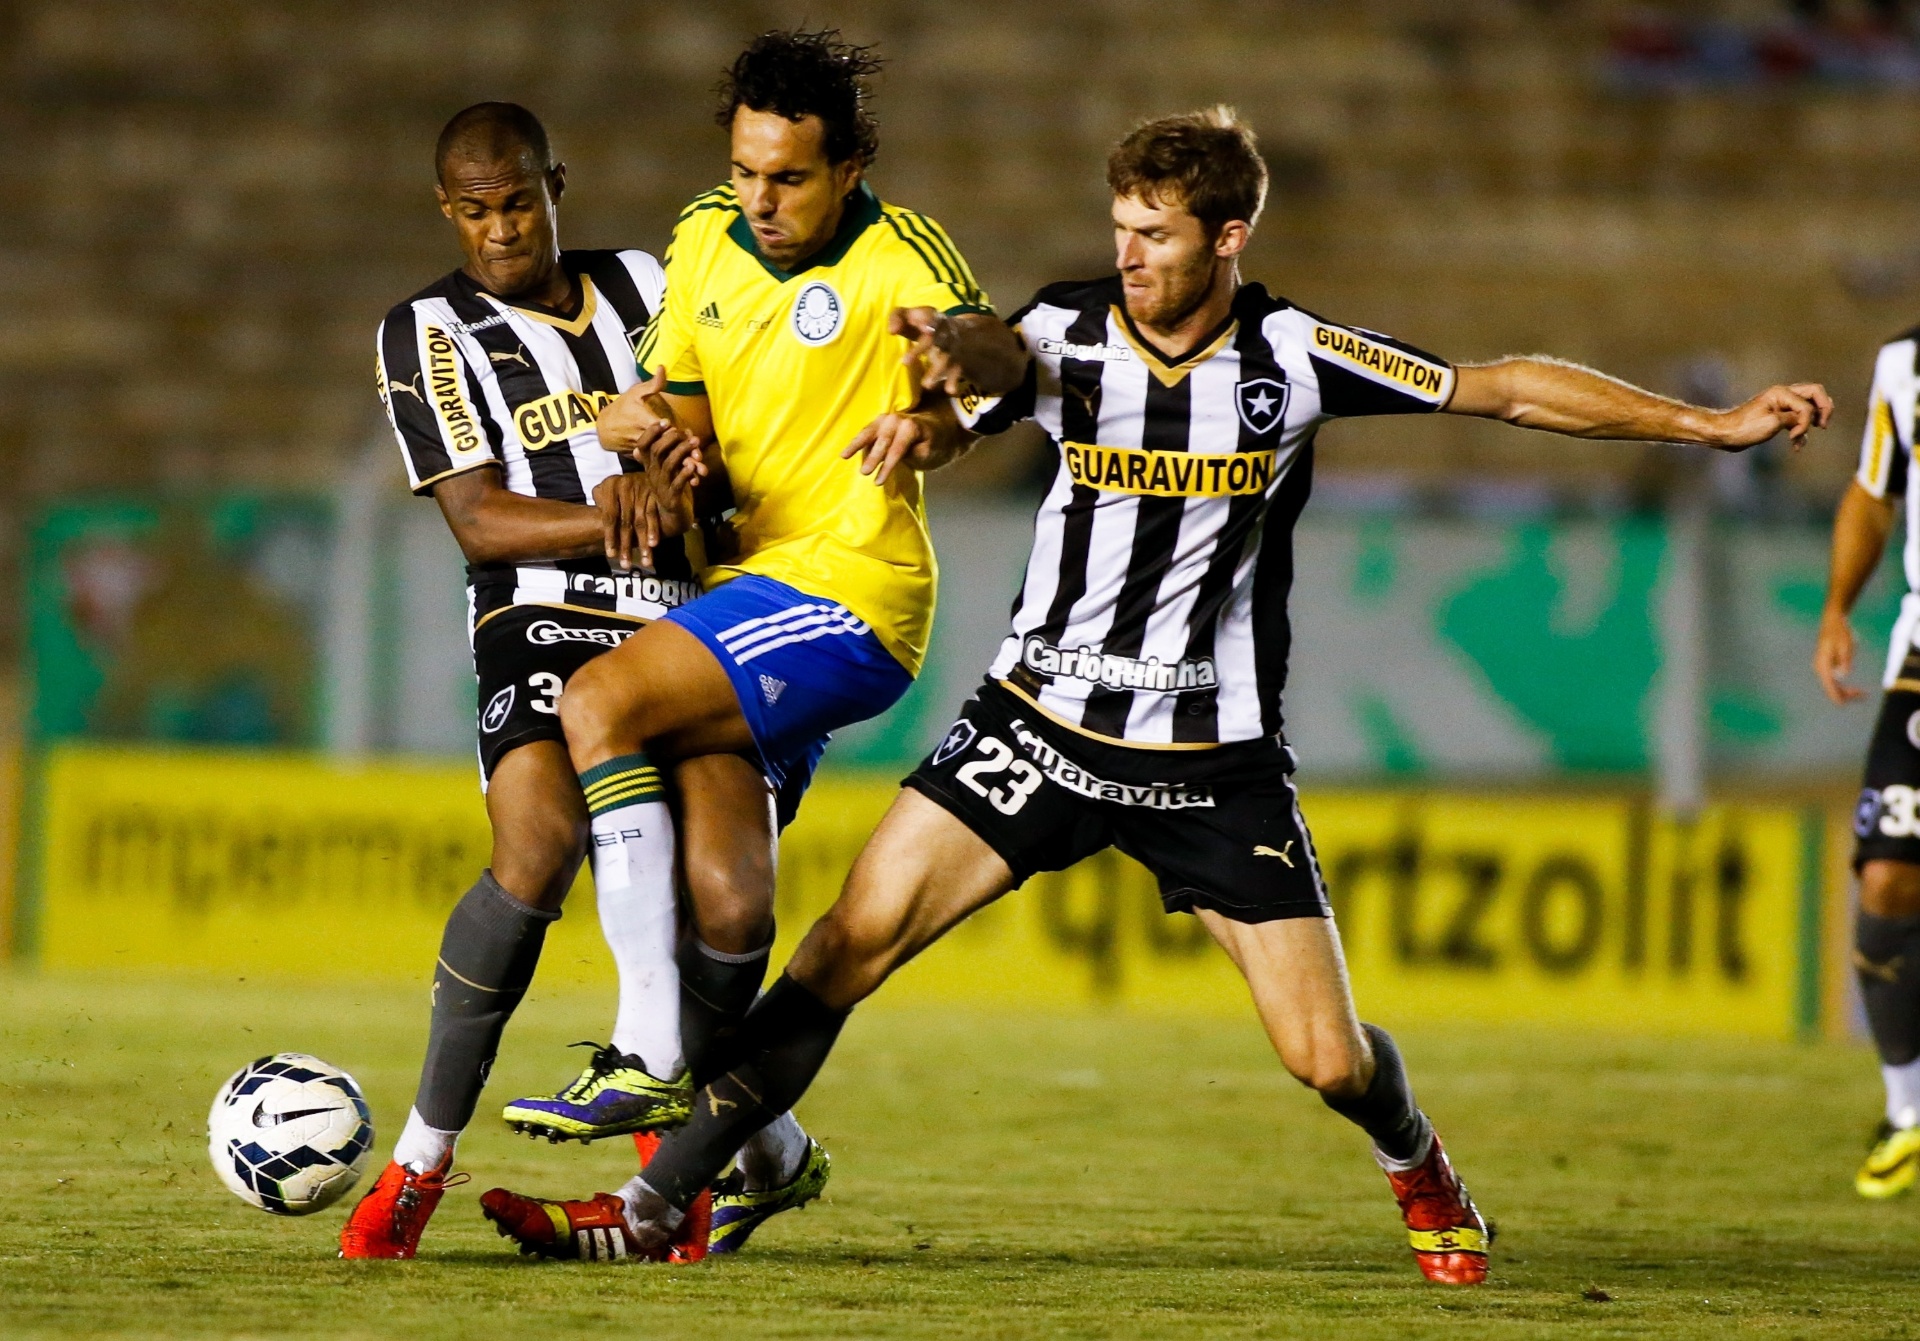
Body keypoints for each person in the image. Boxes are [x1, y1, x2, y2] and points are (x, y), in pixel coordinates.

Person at [485, 106, 1833, 1281]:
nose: (1131, 254)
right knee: (844, 948)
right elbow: (993, 373)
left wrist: (1705, 425)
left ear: (1230, 235)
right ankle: (657, 1203)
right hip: (1037, 720)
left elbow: (1500, 391)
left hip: (1208, 758)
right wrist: (938, 405)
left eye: (1159, 235)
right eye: (1121, 226)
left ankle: (1415, 1158)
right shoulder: (1067, 326)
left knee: (1326, 1060)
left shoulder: (1293, 359)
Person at [476, 30, 1024, 1260]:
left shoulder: (900, 252)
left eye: (787, 178)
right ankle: (769, 1159)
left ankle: (647, 1052)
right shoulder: (701, 234)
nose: (761, 201)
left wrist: (951, 380)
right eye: (747, 171)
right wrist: (649, 439)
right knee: (722, 899)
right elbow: (683, 410)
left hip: (849, 594)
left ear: (849, 168)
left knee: (600, 700)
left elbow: (994, 354)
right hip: (733, 595)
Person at [339, 101, 723, 1260]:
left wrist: (683, 484)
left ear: (557, 184)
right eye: (474, 211)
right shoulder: (426, 330)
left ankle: (684, 1174)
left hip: (682, 612)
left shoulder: (652, 284)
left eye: (517, 203)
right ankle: (418, 1161)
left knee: (719, 888)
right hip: (539, 615)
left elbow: (720, 436)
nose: (499, 230)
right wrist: (611, 511)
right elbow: (478, 520)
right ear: (445, 209)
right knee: (537, 848)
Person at [1814, 322, 1920, 1199]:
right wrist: (1838, 608)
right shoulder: (1905, 363)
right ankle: (1906, 1111)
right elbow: (1875, 490)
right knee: (1886, 876)